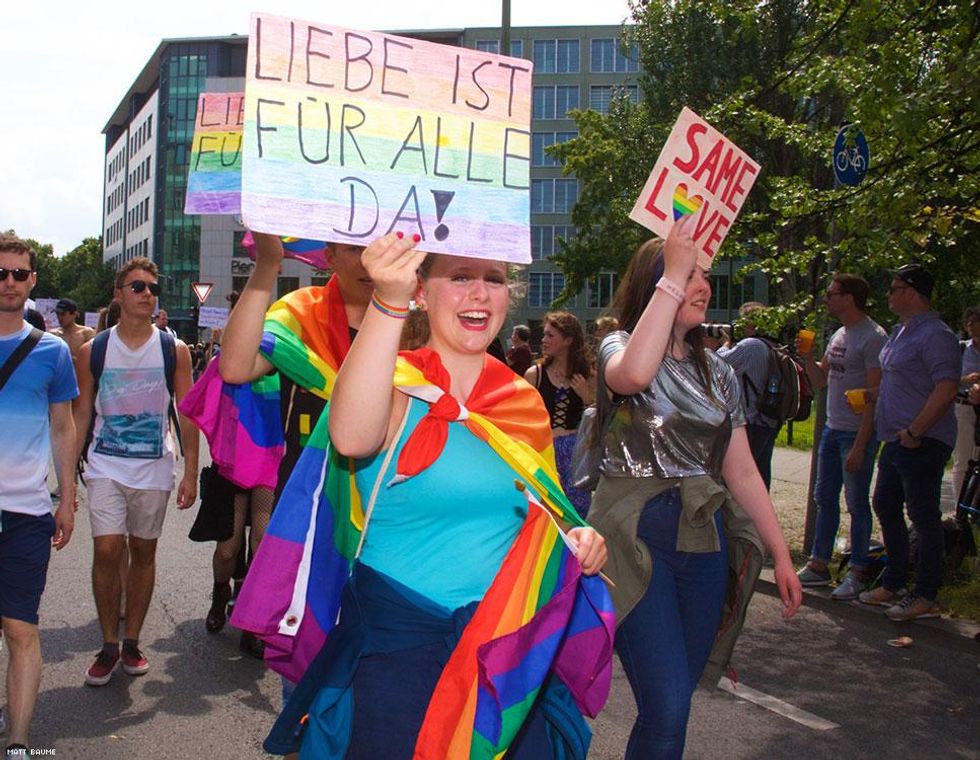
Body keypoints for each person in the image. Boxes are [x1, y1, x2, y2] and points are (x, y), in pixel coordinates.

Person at [261, 233, 610, 758]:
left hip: (501, 661)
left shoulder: (523, 403)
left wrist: (579, 538)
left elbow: (543, 518)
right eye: (460, 277)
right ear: (424, 290)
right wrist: (389, 296)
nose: (479, 293)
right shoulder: (393, 383)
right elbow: (352, 437)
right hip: (395, 657)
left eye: (492, 278)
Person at [587, 217, 801, 759]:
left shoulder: (720, 373)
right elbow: (632, 376)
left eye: (705, 273)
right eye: (690, 271)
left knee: (675, 705)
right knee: (667, 705)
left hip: (703, 543)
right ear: (657, 281)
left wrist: (781, 556)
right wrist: (672, 276)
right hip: (638, 539)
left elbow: (743, 470)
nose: (702, 283)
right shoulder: (619, 344)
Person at [73, 257, 199, 685]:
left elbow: (188, 414)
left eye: (152, 288)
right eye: (137, 287)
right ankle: (108, 644)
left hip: (154, 467)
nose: (147, 294)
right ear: (119, 294)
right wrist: (69, 473)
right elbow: (81, 412)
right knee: (107, 550)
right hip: (105, 463)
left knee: (143, 553)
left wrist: (192, 472)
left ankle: (132, 640)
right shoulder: (95, 350)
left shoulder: (173, 350)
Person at [0, 235, 77, 755]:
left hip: (26, 510)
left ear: (33, 281)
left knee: (20, 628)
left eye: (18, 274)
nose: (8, 283)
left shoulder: (52, 351)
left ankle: (20, 741)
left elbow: (64, 426)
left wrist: (67, 497)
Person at [859, 263, 960, 621]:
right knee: (885, 503)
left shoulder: (936, 335)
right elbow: (900, 381)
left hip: (922, 440)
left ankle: (926, 593)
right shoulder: (902, 333)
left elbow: (946, 388)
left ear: (911, 293)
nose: (887, 294)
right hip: (897, 439)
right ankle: (895, 581)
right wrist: (874, 394)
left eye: (894, 287)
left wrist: (916, 431)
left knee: (923, 516)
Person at [796, 274, 887, 598]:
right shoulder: (838, 334)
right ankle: (819, 565)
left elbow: (876, 395)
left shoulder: (873, 337)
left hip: (855, 433)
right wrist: (806, 357)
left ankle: (858, 570)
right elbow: (821, 380)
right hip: (832, 429)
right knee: (824, 498)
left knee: (857, 504)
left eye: (832, 293)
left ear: (849, 298)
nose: (828, 299)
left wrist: (862, 445)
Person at [525, 311, 595, 515]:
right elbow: (521, 418)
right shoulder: (534, 375)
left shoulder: (587, 376)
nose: (544, 340)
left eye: (550, 335)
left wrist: (587, 398)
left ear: (568, 341)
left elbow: (603, 419)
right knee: (544, 509)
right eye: (544, 334)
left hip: (575, 454)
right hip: (543, 450)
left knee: (577, 510)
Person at [717, 302, 783, 488]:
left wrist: (725, 344)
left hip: (751, 419)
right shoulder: (771, 345)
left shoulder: (750, 345)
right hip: (768, 419)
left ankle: (739, 515)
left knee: (738, 477)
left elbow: (719, 364)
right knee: (760, 475)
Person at [953, 306, 980, 504]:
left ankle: (974, 508)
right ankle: (959, 507)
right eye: (967, 322)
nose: (970, 326)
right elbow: (948, 379)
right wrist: (966, 379)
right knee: (962, 460)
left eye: (974, 322)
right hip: (963, 406)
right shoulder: (961, 348)